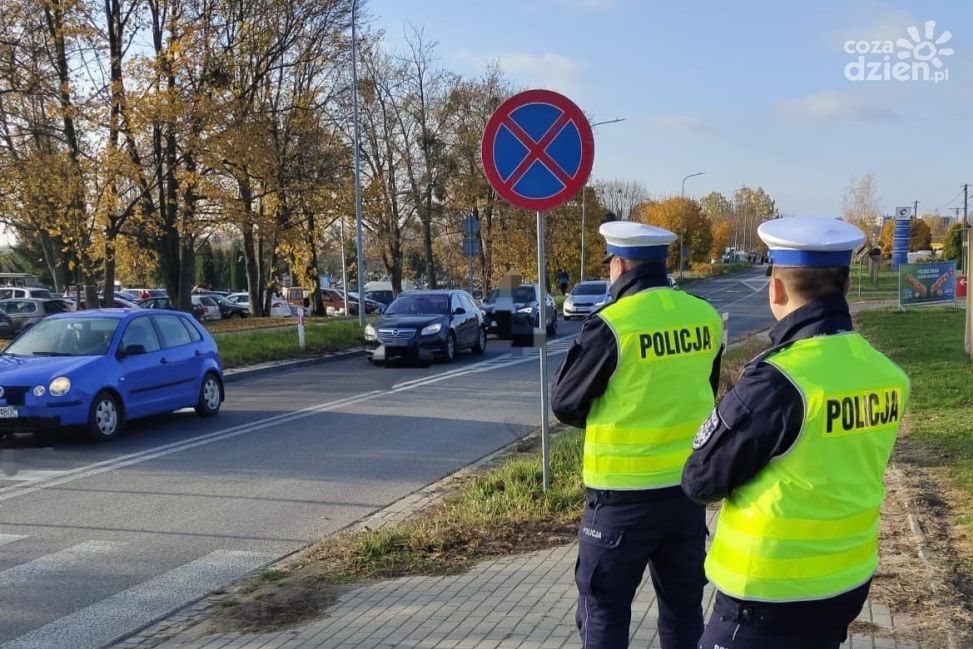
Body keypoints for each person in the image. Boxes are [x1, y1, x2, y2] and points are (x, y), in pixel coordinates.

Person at [682, 216, 911, 649]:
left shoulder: (778, 380)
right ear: (846, 288)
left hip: (767, 593)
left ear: (777, 289)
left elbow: (700, 480)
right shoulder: (888, 375)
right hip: (846, 583)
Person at [552, 221, 724, 649]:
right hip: (685, 496)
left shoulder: (611, 325)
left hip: (619, 501)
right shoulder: (704, 316)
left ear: (620, 265)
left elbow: (565, 403)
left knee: (604, 612)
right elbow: (707, 386)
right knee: (684, 611)